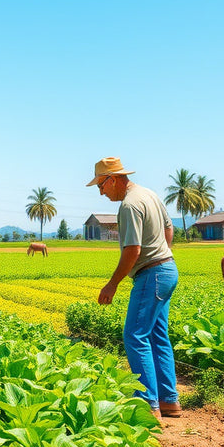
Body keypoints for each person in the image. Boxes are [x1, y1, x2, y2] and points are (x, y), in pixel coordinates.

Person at [87, 157, 180, 421]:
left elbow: (133, 250)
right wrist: (163, 253)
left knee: (135, 336)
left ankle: (147, 405)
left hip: (151, 275)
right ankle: (168, 400)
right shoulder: (149, 194)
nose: (101, 192)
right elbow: (168, 228)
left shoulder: (129, 205)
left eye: (101, 186)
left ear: (113, 179)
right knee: (157, 336)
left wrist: (112, 284)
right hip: (167, 269)